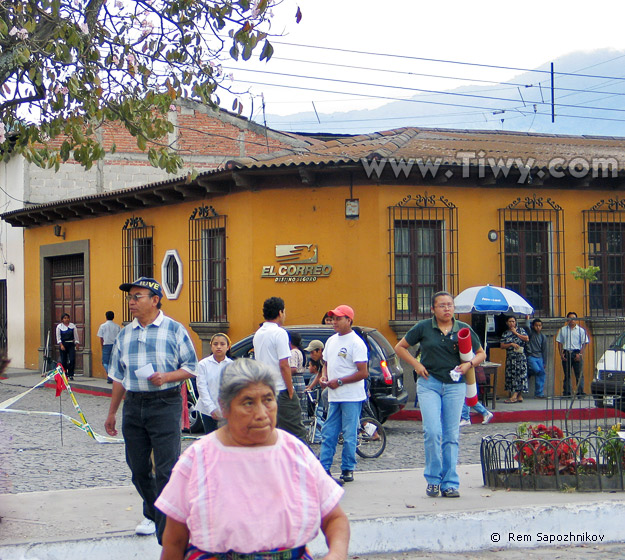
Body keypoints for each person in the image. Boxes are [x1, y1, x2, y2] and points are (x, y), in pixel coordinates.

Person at [156, 358, 350, 560]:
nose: (261, 414)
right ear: (225, 407)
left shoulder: (295, 452)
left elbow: (335, 519)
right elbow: (174, 540)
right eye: (248, 403)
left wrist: (335, 554)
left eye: (268, 400)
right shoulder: (199, 457)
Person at [104, 277, 198, 542]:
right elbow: (118, 377)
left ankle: (167, 537)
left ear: (155, 300)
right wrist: (112, 412)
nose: (131, 302)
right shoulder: (125, 334)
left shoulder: (174, 330)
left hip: (165, 403)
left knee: (167, 470)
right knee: (138, 468)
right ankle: (156, 511)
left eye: (137, 297)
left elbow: (191, 367)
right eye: (130, 297)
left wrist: (166, 377)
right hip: (134, 405)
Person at [395, 291, 485, 499]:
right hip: (430, 384)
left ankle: (450, 483)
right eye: (442, 305)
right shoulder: (424, 327)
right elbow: (400, 348)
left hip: (455, 386)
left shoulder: (464, 329)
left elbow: (481, 353)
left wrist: (469, 364)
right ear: (433, 309)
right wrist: (417, 365)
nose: (446, 309)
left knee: (451, 435)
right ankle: (433, 480)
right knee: (433, 432)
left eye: (450, 305)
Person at [319, 305, 369, 483]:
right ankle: (323, 468)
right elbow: (325, 362)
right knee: (328, 432)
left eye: (338, 318)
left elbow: (363, 372)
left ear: (349, 320)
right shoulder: (331, 341)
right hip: (334, 395)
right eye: (333, 318)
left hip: (351, 396)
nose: (334, 322)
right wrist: (324, 376)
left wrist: (339, 381)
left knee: (349, 435)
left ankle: (348, 468)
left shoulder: (356, 343)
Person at [253, 297, 308, 442]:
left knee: (270, 430)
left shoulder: (258, 333)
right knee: (296, 430)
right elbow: (284, 365)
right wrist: (290, 390)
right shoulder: (280, 333)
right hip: (280, 389)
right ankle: (304, 462)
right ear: (280, 312)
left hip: (264, 389)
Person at [195, 333, 232, 434]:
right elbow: (202, 388)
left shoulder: (232, 365)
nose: (218, 347)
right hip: (207, 410)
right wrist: (212, 409)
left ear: (228, 347)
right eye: (215, 344)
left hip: (227, 410)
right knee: (211, 438)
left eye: (222, 344)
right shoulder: (203, 364)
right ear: (211, 346)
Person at [556, 311, 589, 397]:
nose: (572, 320)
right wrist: (561, 354)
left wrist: (580, 354)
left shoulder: (581, 331)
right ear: (567, 320)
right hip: (566, 353)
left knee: (579, 374)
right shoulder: (563, 330)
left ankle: (580, 392)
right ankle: (567, 392)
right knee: (567, 375)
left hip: (577, 353)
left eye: (574, 318)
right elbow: (559, 342)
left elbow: (584, 343)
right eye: (570, 318)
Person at [500, 316, 529, 403]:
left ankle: (515, 396)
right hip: (511, 357)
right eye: (510, 321)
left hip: (520, 357)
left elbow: (527, 338)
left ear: (516, 322)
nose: (511, 323)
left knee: (521, 375)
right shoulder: (505, 333)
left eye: (513, 321)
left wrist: (516, 333)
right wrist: (511, 344)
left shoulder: (521, 330)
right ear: (507, 323)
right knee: (513, 376)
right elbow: (502, 345)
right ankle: (518, 395)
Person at [526, 318, 548, 398]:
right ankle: (530, 371)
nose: (538, 327)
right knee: (537, 370)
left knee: (541, 373)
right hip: (531, 356)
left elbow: (544, 350)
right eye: (536, 326)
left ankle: (539, 393)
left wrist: (544, 362)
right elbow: (527, 327)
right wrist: (527, 319)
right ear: (533, 326)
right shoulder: (531, 334)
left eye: (539, 326)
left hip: (540, 357)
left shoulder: (543, 337)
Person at [97, 310, 121, 383]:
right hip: (115, 345)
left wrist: (102, 346)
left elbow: (101, 337)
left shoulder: (103, 326)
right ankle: (111, 376)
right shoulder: (117, 326)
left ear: (106, 317)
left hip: (106, 345)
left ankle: (110, 375)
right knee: (113, 362)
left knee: (105, 362)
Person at [56, 313, 79, 380]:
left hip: (71, 344)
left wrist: (77, 343)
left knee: (72, 359)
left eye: (67, 318)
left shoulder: (72, 326)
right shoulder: (59, 327)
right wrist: (61, 345)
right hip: (63, 344)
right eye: (65, 318)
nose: (66, 319)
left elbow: (76, 335)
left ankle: (71, 374)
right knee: (64, 360)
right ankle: (65, 374)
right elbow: (58, 337)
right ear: (62, 319)